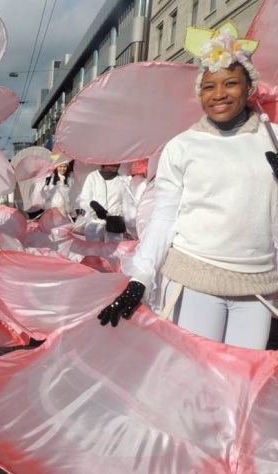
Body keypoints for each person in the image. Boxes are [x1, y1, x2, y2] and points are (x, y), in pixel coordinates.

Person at [98, 23, 278, 351]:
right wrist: (141, 277)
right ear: (200, 92)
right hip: (195, 283)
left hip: (258, 288)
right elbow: (164, 217)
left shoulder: (274, 139)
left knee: (242, 385)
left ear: (249, 87)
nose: (219, 94)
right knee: (200, 383)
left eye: (231, 83)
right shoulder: (182, 146)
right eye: (209, 86)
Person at [76, 163, 130, 241]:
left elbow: (127, 202)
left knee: (114, 251)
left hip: (115, 225)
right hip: (95, 223)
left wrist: (121, 215)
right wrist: (93, 205)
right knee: (94, 251)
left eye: (118, 163)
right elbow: (83, 200)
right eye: (112, 163)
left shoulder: (123, 179)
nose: (116, 165)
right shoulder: (93, 177)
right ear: (104, 163)